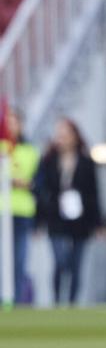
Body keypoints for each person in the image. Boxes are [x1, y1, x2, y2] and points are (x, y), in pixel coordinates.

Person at [34, 117, 101, 305]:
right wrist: (40, 219)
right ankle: (56, 300)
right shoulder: (48, 161)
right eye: (59, 134)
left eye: (65, 134)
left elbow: (94, 192)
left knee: (76, 264)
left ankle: (72, 302)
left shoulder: (86, 162)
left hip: (81, 219)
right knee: (60, 261)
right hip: (56, 217)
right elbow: (41, 190)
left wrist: (97, 222)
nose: (61, 138)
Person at [1, 106, 38, 304]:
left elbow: (35, 181)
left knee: (19, 259)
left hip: (22, 211)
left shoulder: (30, 151)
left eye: (14, 122)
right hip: (1, 210)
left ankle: (16, 299)